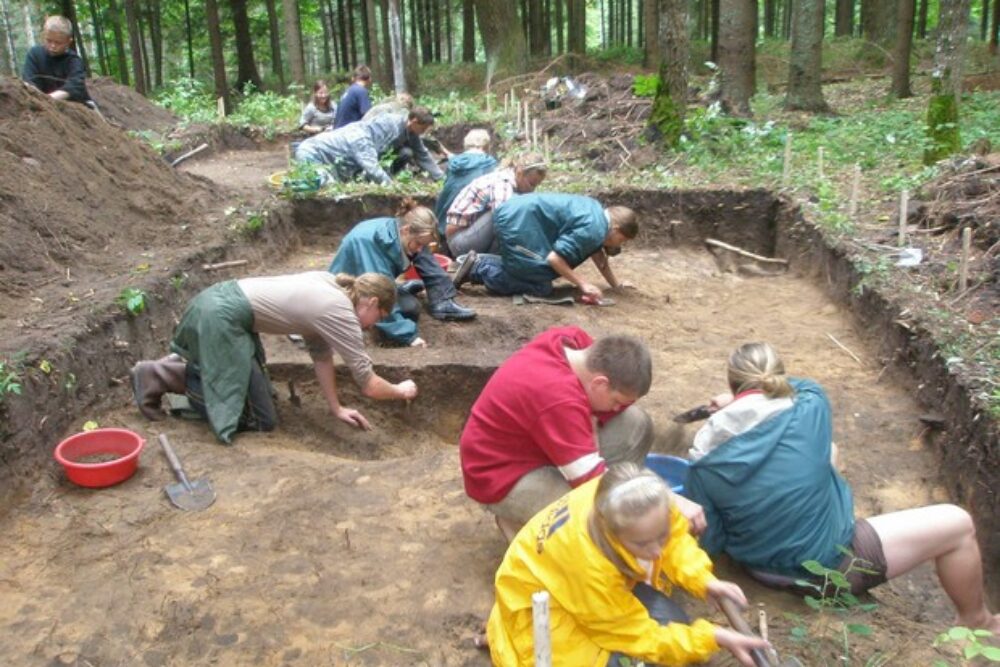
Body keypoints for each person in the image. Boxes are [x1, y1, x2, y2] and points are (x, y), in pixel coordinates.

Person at [684, 342, 1000, 633]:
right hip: (827, 567)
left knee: (828, 452)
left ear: (732, 384)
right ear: (773, 377)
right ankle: (977, 620)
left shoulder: (702, 455)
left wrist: (735, 405)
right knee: (957, 524)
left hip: (761, 569)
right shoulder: (810, 406)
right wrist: (742, 397)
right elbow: (800, 386)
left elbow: (711, 538)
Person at [488, 463, 770, 667]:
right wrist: (712, 637)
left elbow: (673, 539)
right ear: (612, 531)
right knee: (639, 661)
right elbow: (636, 635)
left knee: (673, 626)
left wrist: (703, 579)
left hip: (578, 594)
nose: (657, 550)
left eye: (658, 536)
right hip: (543, 615)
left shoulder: (634, 496)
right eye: (642, 545)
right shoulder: (590, 566)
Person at [129, 272, 417, 444]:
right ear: (372, 302)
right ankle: (160, 375)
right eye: (377, 318)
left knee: (261, 398)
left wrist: (336, 408)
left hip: (220, 306)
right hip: (221, 318)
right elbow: (368, 384)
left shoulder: (332, 286)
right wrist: (400, 390)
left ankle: (183, 369)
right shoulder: (340, 311)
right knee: (258, 419)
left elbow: (321, 356)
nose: (372, 326)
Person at [460, 326, 655, 541]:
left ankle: (558, 506)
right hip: (498, 475)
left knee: (637, 424)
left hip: (533, 446)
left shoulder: (574, 343)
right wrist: (650, 502)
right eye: (617, 402)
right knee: (590, 516)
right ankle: (518, 522)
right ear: (600, 383)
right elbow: (590, 482)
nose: (619, 409)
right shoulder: (558, 397)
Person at [328, 199, 475, 348]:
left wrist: (442, 292)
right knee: (410, 308)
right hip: (346, 294)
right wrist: (409, 336)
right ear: (405, 230)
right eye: (418, 243)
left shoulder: (398, 229)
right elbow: (377, 295)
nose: (419, 249)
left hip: (367, 281)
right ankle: (398, 294)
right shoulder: (370, 244)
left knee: (409, 295)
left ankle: (441, 300)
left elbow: (418, 250)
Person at [453, 193, 636, 301]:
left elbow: (598, 255)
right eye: (622, 240)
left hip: (520, 213)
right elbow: (555, 259)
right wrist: (583, 284)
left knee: (531, 267)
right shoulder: (594, 229)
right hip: (517, 219)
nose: (620, 245)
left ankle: (478, 262)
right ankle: (479, 268)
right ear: (617, 229)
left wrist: (615, 285)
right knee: (540, 284)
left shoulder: (597, 214)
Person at [294, 107, 444, 185]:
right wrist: (391, 186)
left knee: (406, 152)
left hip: (337, 165)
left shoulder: (410, 132)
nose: (423, 133)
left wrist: (442, 180)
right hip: (311, 153)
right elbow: (371, 166)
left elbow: (423, 155)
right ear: (413, 121)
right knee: (327, 187)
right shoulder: (362, 137)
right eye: (423, 128)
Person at [443, 154, 546, 258]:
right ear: (520, 173)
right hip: (459, 242)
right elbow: (506, 221)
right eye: (531, 184)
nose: (532, 189)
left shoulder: (512, 184)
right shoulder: (503, 182)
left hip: (473, 235)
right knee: (503, 217)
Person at [433, 129, 497, 250]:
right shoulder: (489, 164)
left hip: (443, 218)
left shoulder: (454, 163)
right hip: (467, 227)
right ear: (486, 145)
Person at [21, 15, 92, 106]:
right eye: (49, 41)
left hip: (71, 105)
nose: (53, 46)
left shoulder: (74, 61)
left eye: (58, 42)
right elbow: (28, 82)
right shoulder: (34, 54)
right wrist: (40, 99)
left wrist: (48, 100)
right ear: (43, 36)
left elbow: (75, 86)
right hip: (41, 102)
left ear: (68, 42)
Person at [333, 64, 372, 129]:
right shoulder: (361, 91)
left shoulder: (349, 91)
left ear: (354, 78)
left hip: (338, 131)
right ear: (369, 78)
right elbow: (368, 115)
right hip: (348, 133)